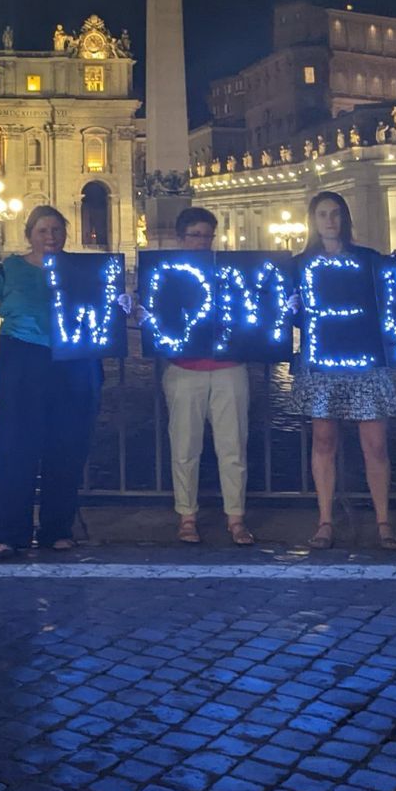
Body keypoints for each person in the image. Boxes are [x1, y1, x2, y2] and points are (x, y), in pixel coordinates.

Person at [0, 205, 99, 559]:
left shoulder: (80, 269)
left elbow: (102, 308)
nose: (51, 237)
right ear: (30, 234)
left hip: (72, 361)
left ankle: (56, 528)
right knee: (16, 447)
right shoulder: (9, 269)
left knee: (66, 446)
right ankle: (6, 533)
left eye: (57, 230)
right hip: (23, 358)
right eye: (43, 230)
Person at [294, 191, 396, 552]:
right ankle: (325, 520)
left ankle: (383, 521)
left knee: (375, 445)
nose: (330, 220)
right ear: (313, 221)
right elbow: (293, 316)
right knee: (323, 441)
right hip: (321, 363)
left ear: (345, 219)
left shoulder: (370, 260)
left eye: (336, 214)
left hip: (365, 362)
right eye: (323, 214)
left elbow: (395, 295)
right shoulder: (298, 265)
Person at [159, 209, 256, 546]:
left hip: (228, 367)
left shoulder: (226, 272)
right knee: (185, 448)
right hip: (186, 368)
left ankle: (236, 517)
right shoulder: (169, 275)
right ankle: (187, 516)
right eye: (196, 235)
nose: (202, 242)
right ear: (181, 239)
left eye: (207, 236)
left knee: (233, 447)